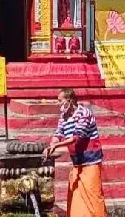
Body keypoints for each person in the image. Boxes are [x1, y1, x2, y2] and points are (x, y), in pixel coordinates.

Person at [43, 89, 106, 217]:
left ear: (70, 101)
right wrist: (51, 145)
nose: (59, 104)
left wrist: (56, 145)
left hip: (90, 161)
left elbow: (77, 137)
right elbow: (58, 133)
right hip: (77, 162)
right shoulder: (64, 116)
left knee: (93, 196)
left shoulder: (84, 113)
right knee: (76, 196)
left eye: (61, 101)